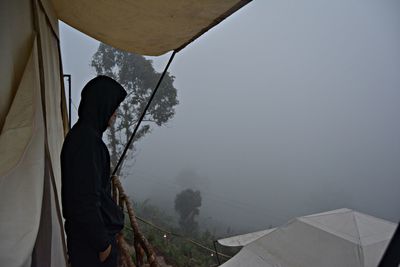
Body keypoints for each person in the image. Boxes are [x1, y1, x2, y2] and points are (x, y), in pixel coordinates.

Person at [61, 76, 127, 267]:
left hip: (87, 241)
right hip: (91, 247)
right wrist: (103, 245)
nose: (115, 114)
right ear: (102, 104)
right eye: (114, 107)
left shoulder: (85, 136)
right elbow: (84, 201)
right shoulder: (86, 143)